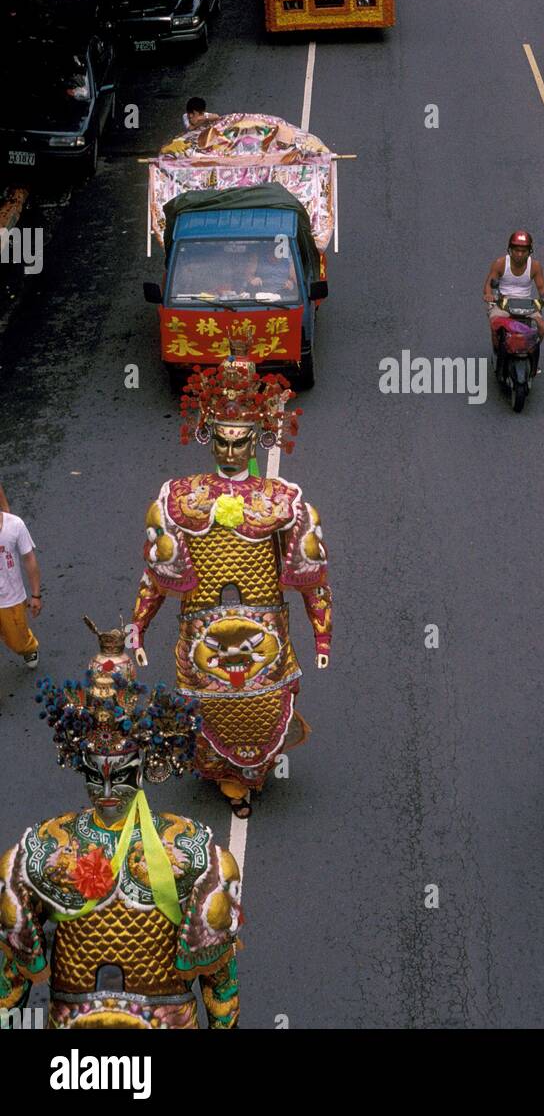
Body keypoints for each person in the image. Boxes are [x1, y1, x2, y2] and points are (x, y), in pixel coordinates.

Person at [129, 332, 332, 818]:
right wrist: (139, 626)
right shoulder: (179, 496)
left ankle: (252, 773)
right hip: (203, 629)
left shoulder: (282, 500)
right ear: (207, 434)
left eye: (240, 442)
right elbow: (156, 573)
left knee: (262, 705)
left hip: (266, 631)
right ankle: (230, 777)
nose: (231, 451)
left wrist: (322, 636)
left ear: (257, 439)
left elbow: (312, 571)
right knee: (213, 708)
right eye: (222, 439)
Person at [0, 620, 240, 1029]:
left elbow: (220, 982)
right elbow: (11, 983)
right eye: (96, 774)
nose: (107, 789)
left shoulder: (196, 852)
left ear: (145, 768)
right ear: (81, 767)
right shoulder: (39, 851)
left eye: (121, 773)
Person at [483, 231, 544, 349]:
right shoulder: (500, 264)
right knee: (494, 324)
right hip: (503, 302)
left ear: (529, 251)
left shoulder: (535, 266)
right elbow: (488, 285)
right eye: (516, 250)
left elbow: (541, 288)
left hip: (526, 303)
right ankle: (497, 351)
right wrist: (488, 295)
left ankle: (532, 351)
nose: (519, 254)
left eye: (523, 251)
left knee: (541, 327)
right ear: (510, 250)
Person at [0, 508, 40, 669]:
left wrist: (36, 595)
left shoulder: (15, 525)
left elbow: (29, 559)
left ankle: (27, 646)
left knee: (17, 641)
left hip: (10, 599)